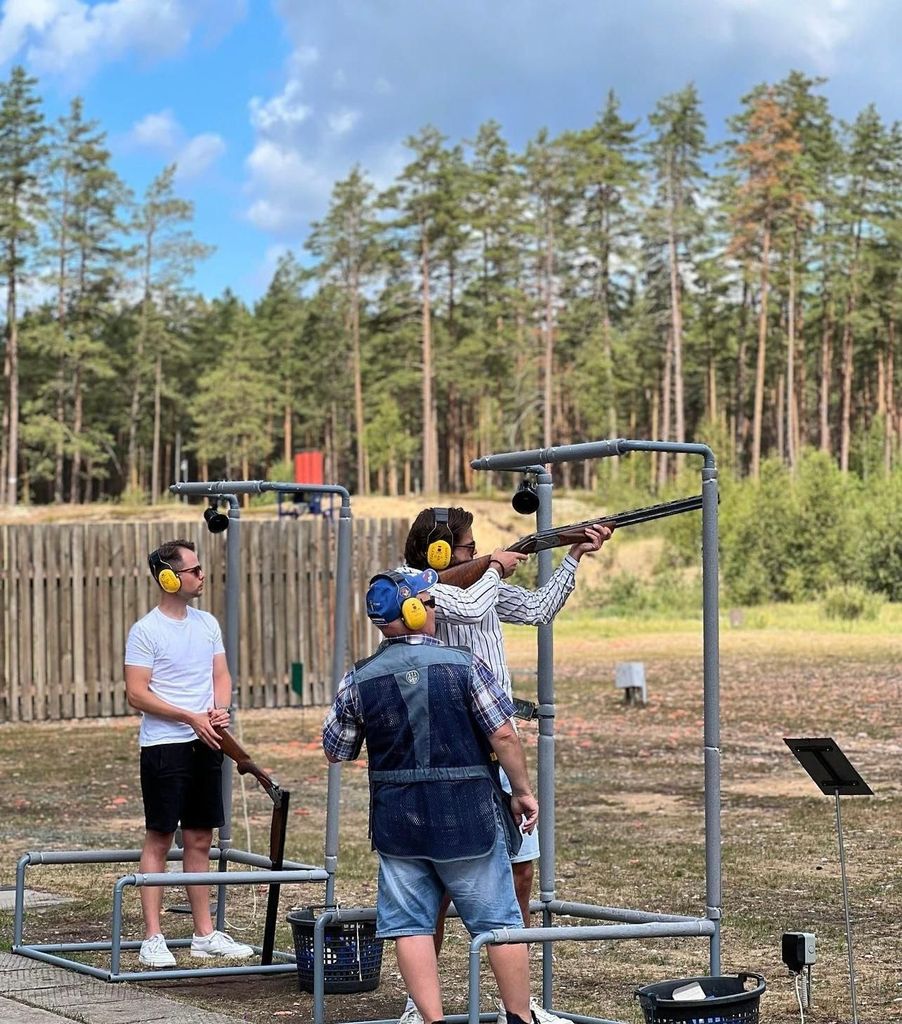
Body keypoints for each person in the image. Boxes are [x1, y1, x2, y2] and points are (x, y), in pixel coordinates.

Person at [399, 508, 610, 1024]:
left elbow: (539, 609)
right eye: (468, 548)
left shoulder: (480, 582)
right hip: (454, 753)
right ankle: (418, 1005)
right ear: (441, 554)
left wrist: (572, 554)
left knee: (519, 875)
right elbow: (470, 606)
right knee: (441, 887)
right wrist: (493, 567)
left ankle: (516, 1002)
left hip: (498, 749)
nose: (477, 552)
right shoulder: (415, 589)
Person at [322, 568, 546, 1024]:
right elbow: (504, 733)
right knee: (500, 924)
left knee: (410, 925)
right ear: (411, 609)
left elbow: (336, 748)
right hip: (468, 816)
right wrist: (522, 791)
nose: (435, 607)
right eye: (429, 600)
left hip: (398, 820)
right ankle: (521, 1020)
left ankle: (433, 1021)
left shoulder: (357, 679)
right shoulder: (463, 664)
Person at [124, 538, 253, 968]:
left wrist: (220, 710)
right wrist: (188, 716)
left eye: (200, 569)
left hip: (206, 743)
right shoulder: (145, 631)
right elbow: (137, 695)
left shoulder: (207, 623)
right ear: (168, 577)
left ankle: (204, 933)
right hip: (164, 746)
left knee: (201, 837)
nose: (201, 576)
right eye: (193, 570)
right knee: (160, 837)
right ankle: (153, 937)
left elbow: (221, 674)